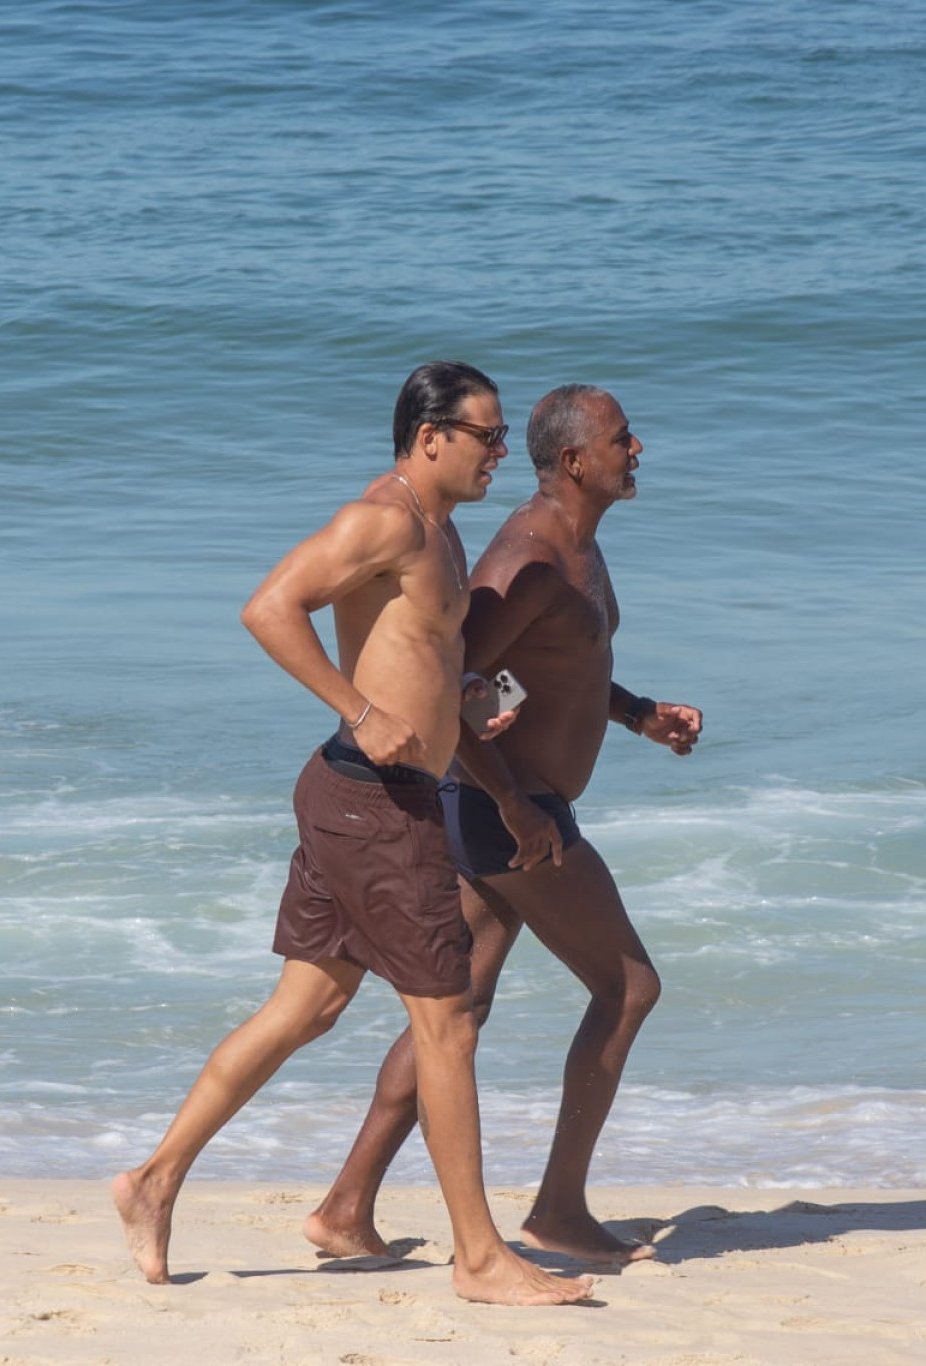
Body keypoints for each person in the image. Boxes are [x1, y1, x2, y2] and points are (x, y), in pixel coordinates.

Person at [111, 362, 594, 1306]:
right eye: (487, 437)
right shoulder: (383, 520)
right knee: (447, 1024)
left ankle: (153, 1180)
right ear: (430, 437)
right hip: (374, 799)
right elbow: (269, 607)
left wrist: (462, 706)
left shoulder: (440, 533)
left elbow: (417, 646)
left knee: (308, 1008)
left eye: (502, 438)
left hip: (362, 797)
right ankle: (482, 1258)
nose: (502, 453)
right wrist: (361, 708)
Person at [304, 383, 703, 1266]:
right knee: (629, 987)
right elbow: (453, 682)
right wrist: (515, 802)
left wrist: (636, 714)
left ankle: (344, 1208)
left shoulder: (578, 548)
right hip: (507, 811)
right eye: (623, 439)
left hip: (506, 808)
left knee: (458, 1008)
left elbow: (551, 671)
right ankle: (558, 1209)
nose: (636, 450)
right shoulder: (525, 557)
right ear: (574, 461)